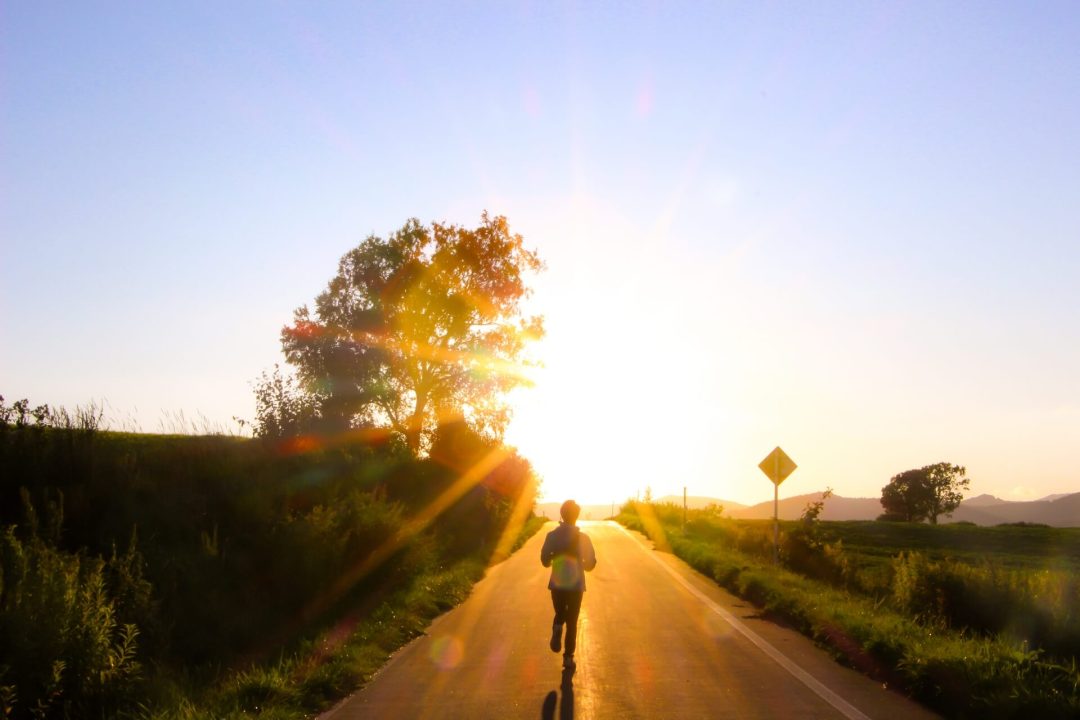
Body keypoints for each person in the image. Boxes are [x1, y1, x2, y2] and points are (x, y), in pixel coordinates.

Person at [540, 499, 597, 670]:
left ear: (561, 515)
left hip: (557, 584)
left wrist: (552, 558)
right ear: (577, 516)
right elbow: (590, 565)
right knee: (572, 620)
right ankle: (568, 658)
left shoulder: (552, 536)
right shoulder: (583, 538)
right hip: (576, 585)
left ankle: (557, 626)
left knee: (560, 612)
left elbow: (544, 561)